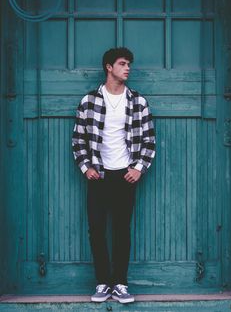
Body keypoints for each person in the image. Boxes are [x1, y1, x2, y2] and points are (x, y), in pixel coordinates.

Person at [72, 47, 156, 304]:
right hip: (98, 175)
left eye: (129, 63)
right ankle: (102, 283)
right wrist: (86, 167)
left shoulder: (138, 102)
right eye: (122, 63)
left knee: (121, 230)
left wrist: (138, 168)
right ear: (109, 67)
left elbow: (149, 140)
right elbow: (78, 138)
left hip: (124, 176)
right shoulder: (89, 101)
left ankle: (119, 283)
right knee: (96, 230)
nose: (127, 68)